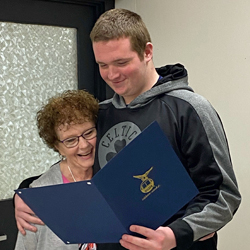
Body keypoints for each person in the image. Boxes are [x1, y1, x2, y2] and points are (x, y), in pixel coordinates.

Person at [15, 8, 241, 250]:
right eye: (103, 65)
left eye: (121, 62)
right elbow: (75, 161)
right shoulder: (100, 114)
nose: (112, 75)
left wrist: (176, 235)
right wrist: (27, 192)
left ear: (147, 52)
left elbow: (223, 196)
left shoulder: (189, 110)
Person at [14, 90, 99, 250]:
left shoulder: (110, 176)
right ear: (57, 147)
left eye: (88, 133)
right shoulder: (39, 195)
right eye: (70, 140)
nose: (84, 145)